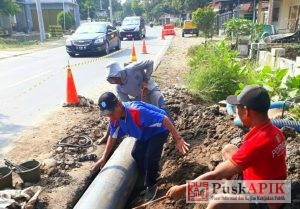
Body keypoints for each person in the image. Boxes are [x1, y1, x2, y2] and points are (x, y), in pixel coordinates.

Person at [166, 85, 287, 209]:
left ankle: (229, 192)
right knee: (229, 149)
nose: (236, 112)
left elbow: (215, 175)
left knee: (218, 202)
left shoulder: (257, 142)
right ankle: (230, 188)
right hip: (272, 186)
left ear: (246, 111)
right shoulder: (275, 132)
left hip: (268, 199)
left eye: (237, 108)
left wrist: (183, 189)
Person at [92, 92, 190, 201]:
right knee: (136, 153)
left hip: (159, 129)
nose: (110, 116)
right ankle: (152, 174)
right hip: (144, 132)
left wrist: (178, 139)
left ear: (119, 105)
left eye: (111, 112)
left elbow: (164, 119)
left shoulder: (136, 112)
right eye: (107, 114)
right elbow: (112, 136)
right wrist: (104, 157)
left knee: (150, 156)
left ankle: (151, 185)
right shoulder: (114, 118)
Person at [97, 60, 166, 145]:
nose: (115, 81)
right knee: (142, 117)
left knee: (159, 105)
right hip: (139, 96)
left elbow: (150, 62)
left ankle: (169, 130)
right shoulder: (119, 88)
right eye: (112, 80)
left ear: (119, 74)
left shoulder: (132, 68)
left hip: (150, 89)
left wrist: (145, 80)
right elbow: (124, 107)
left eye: (115, 78)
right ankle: (149, 136)